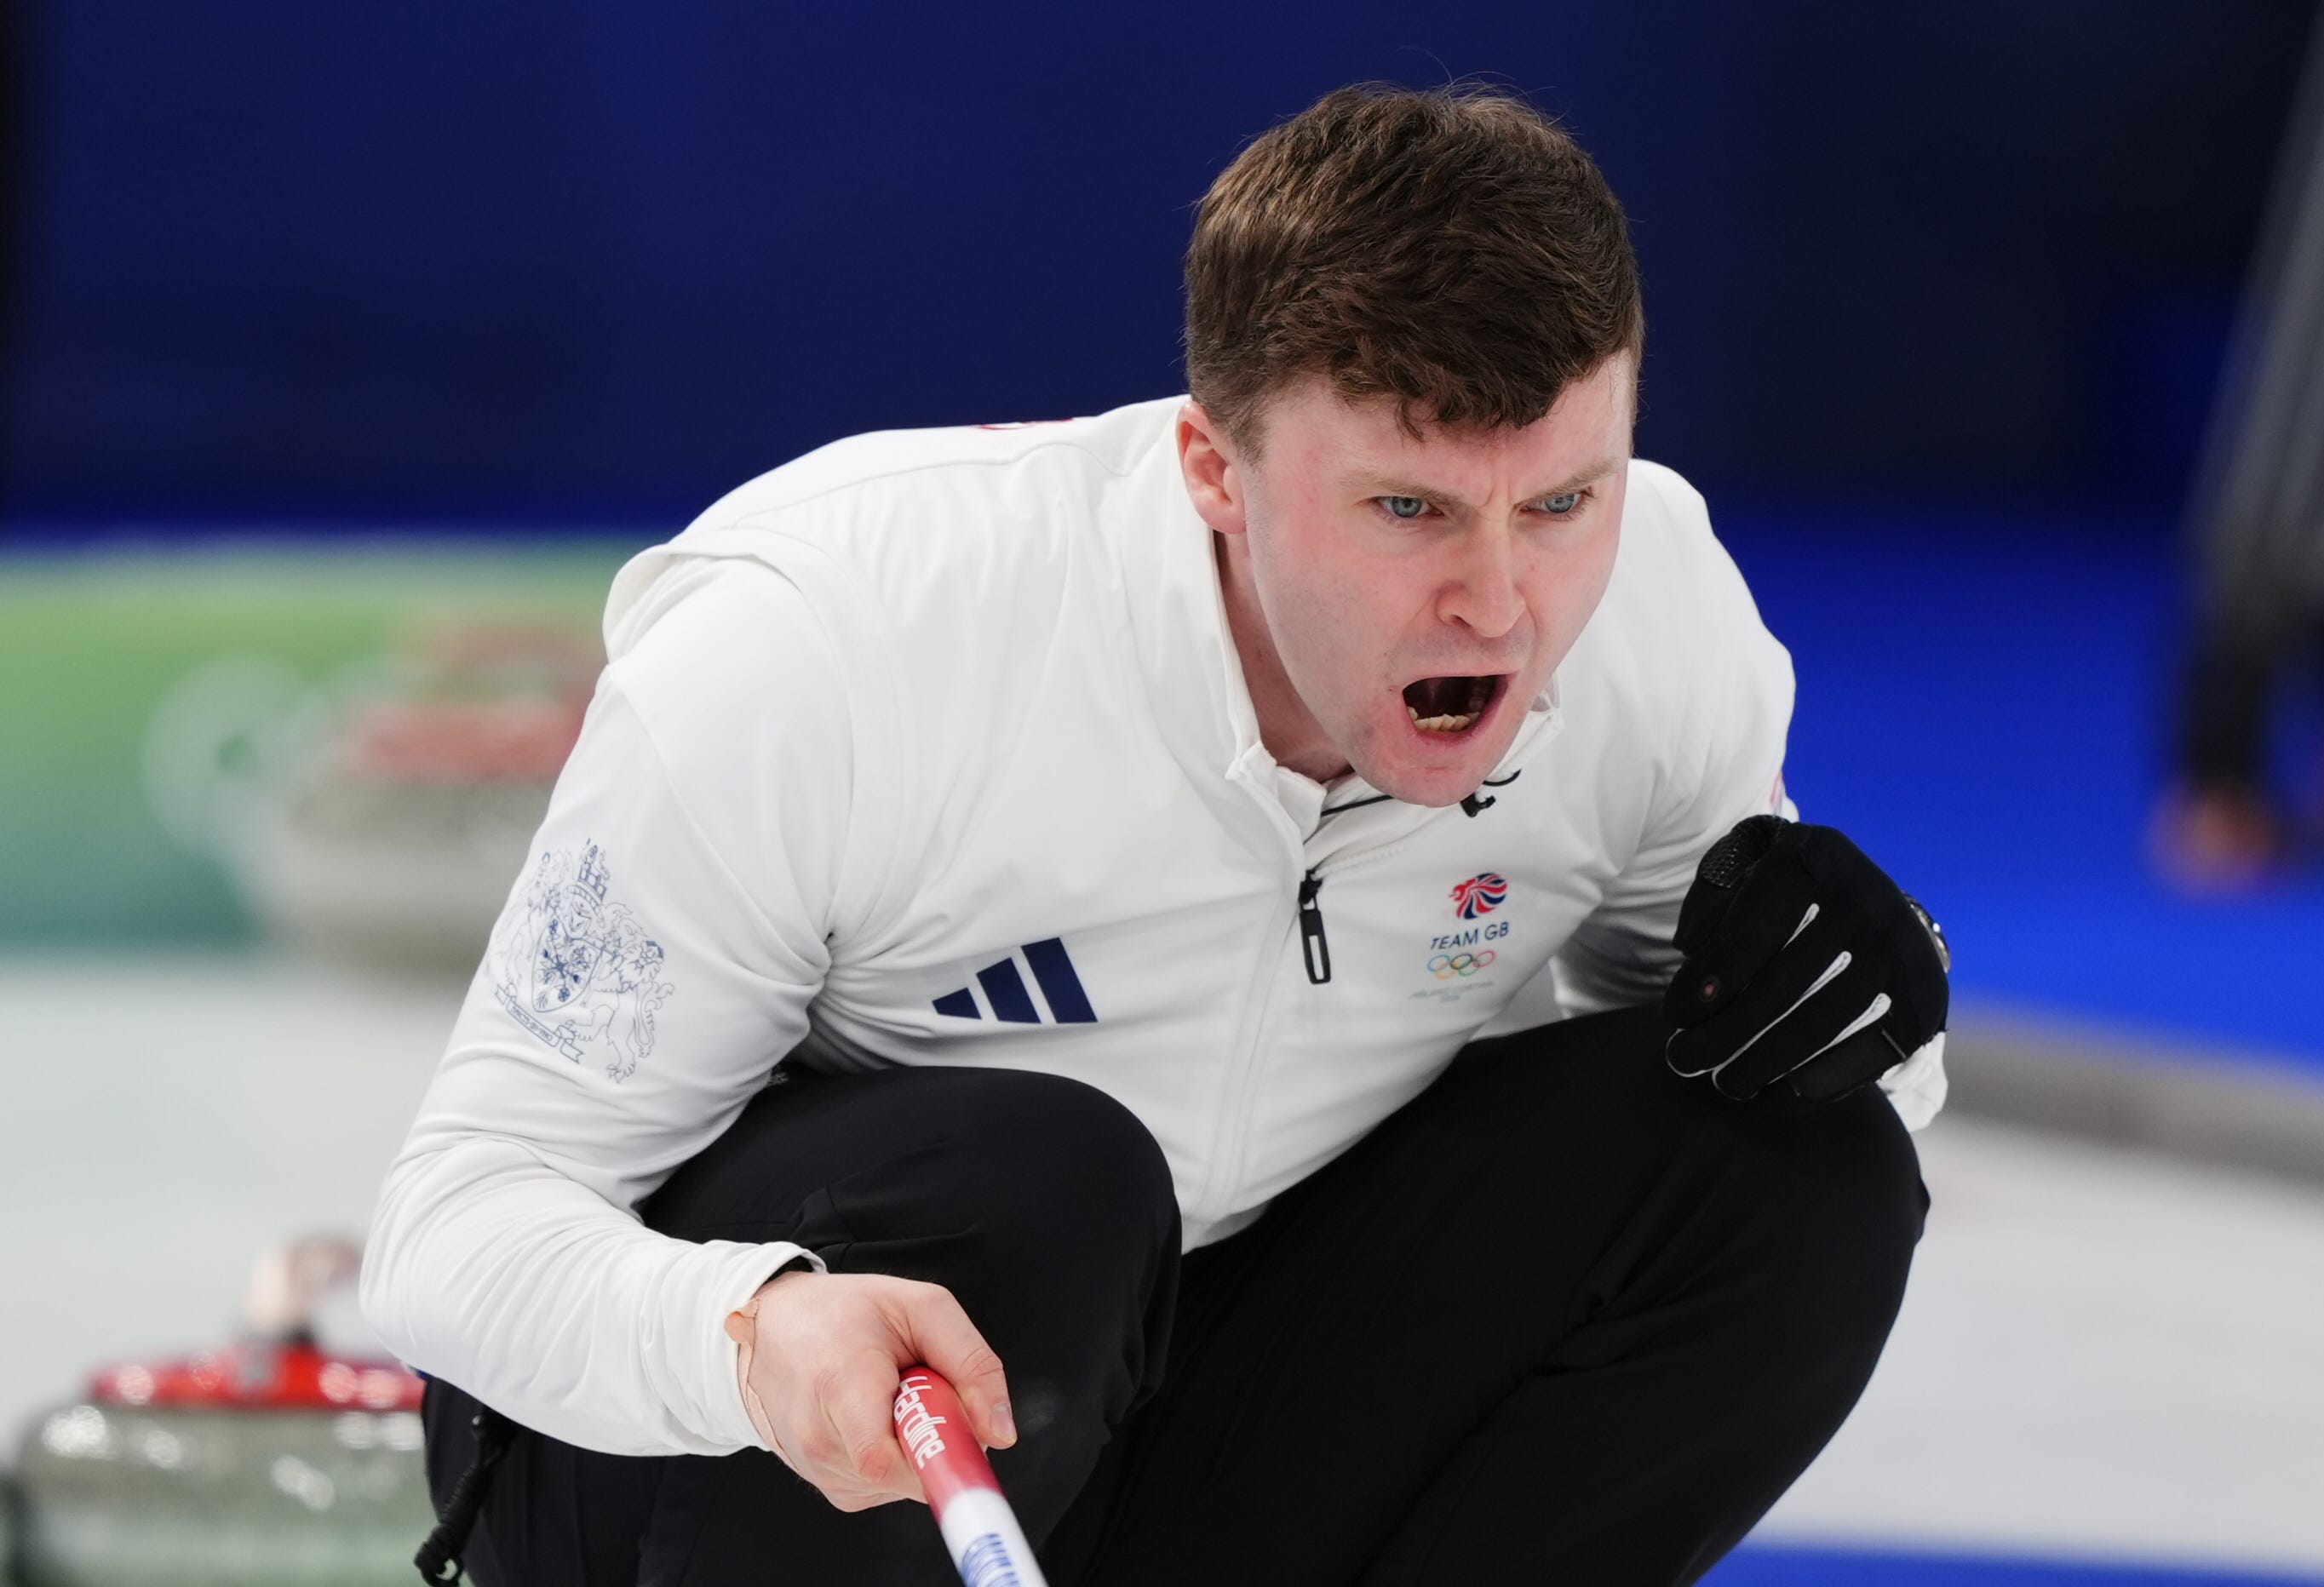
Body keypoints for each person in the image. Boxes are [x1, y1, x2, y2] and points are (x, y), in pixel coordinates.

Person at [363, 83, 1950, 1586]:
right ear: (1214, 469)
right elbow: (455, 1226)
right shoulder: (835, 646)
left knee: (1792, 1170)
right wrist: (745, 1336)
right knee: (1044, 1185)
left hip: (1190, 1393)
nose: (1502, 602)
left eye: (1561, 502)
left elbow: (1771, 1063)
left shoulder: (1655, 622)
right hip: (715, 1451)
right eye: (1407, 510)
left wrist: (1875, 1014)